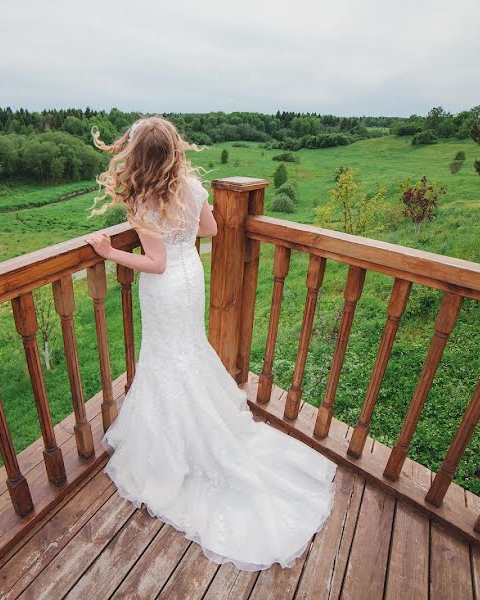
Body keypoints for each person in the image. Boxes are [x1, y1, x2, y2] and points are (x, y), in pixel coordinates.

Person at [84, 116, 335, 571]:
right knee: (186, 352)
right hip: (191, 278)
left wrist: (110, 253)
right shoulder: (192, 188)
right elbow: (211, 232)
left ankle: (176, 445)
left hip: (165, 287)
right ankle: (198, 428)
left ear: (139, 156)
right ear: (175, 152)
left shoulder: (144, 199)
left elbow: (154, 263)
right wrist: (179, 235)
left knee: (166, 357)